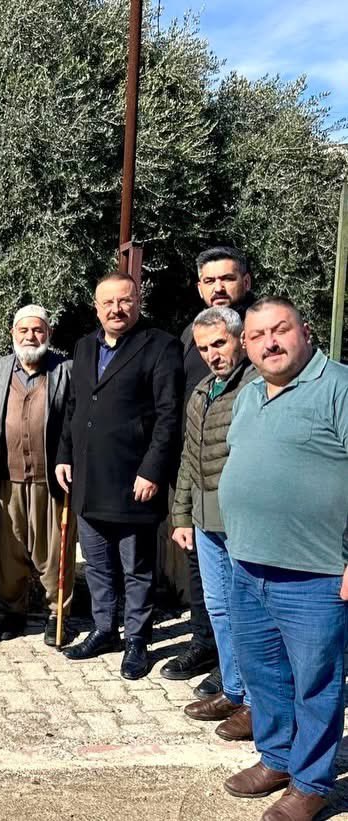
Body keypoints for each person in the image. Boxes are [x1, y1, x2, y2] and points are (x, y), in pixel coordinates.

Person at [219, 297, 348, 821]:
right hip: (248, 565)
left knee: (316, 681)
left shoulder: (338, 386)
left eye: (281, 330)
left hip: (315, 573)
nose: (270, 342)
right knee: (263, 671)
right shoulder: (250, 394)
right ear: (246, 346)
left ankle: (312, 782)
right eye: (258, 336)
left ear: (306, 331)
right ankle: (275, 758)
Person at [55, 273, 183, 679]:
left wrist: (152, 470)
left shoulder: (160, 346)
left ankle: (137, 640)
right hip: (89, 480)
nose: (116, 309)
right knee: (96, 564)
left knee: (136, 567)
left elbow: (168, 416)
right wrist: (64, 454)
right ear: (96, 306)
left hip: (134, 482)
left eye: (124, 301)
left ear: (137, 301)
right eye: (107, 302)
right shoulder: (84, 345)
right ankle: (105, 628)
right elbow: (74, 407)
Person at [163, 246, 257, 693]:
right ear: (199, 288)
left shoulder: (262, 334)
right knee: (206, 581)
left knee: (242, 592)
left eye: (227, 277)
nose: (219, 287)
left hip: (242, 491)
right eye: (209, 280)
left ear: (246, 281)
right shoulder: (189, 335)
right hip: (198, 477)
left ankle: (237, 673)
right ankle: (207, 644)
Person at [0, 305, 76, 646]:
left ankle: (58, 614)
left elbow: (73, 419)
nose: (30, 337)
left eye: (38, 330)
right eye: (23, 330)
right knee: (9, 553)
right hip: (7, 479)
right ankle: (14, 612)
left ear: (48, 334)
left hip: (50, 479)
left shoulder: (64, 370)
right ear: (12, 334)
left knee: (55, 551)